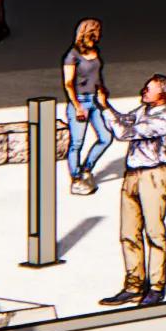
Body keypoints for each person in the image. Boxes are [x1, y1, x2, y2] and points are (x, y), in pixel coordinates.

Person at [110, 72, 166, 303]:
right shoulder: (143, 110)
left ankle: (156, 286)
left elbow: (124, 132)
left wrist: (104, 110)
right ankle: (133, 285)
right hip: (132, 174)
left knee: (153, 232)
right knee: (129, 232)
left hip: (153, 175)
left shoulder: (164, 119)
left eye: (148, 88)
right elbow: (124, 119)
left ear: (162, 95)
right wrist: (106, 107)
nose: (143, 90)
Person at [49, 19, 111, 260]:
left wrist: (103, 91)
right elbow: (68, 82)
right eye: (96, 30)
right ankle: (76, 177)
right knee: (77, 142)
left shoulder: (95, 51)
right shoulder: (72, 55)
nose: (100, 34)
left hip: (95, 99)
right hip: (81, 102)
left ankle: (86, 168)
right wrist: (76, 106)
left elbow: (98, 73)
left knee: (105, 137)